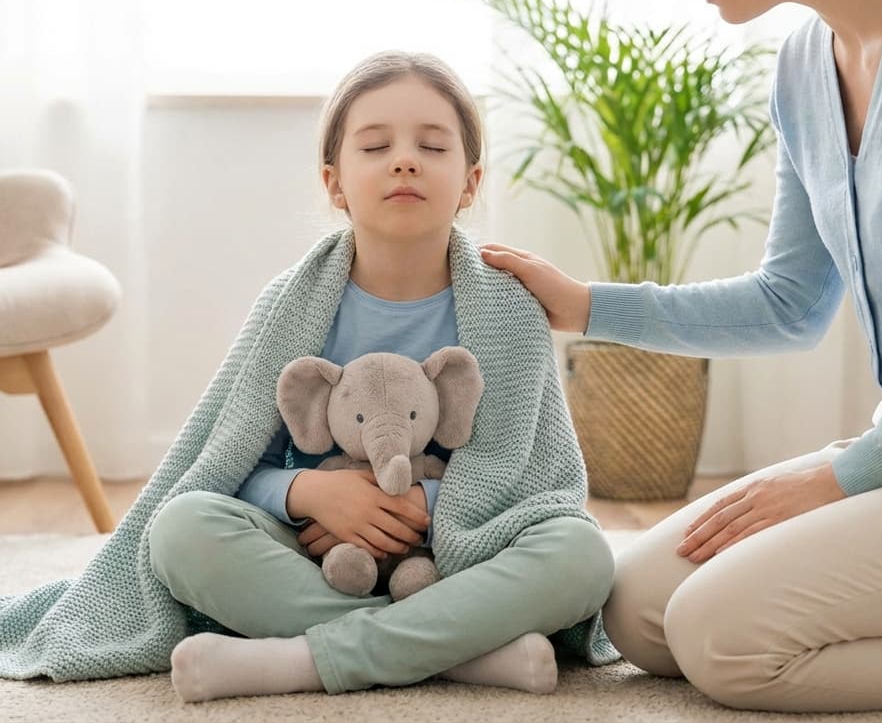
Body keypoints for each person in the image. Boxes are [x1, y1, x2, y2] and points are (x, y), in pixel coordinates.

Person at [479, 0, 882, 712]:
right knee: (640, 613)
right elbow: (790, 302)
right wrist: (586, 307)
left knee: (721, 638)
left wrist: (839, 479)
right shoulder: (808, 63)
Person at [149, 51, 616, 702]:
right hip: (316, 557)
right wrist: (312, 494)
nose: (405, 159)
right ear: (334, 182)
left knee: (582, 557)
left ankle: (302, 661)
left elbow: (536, 478)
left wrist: (417, 506)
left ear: (471, 181)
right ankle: (460, 652)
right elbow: (229, 463)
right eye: (375, 146)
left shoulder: (510, 310)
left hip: (460, 556)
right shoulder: (290, 305)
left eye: (431, 144)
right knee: (181, 531)